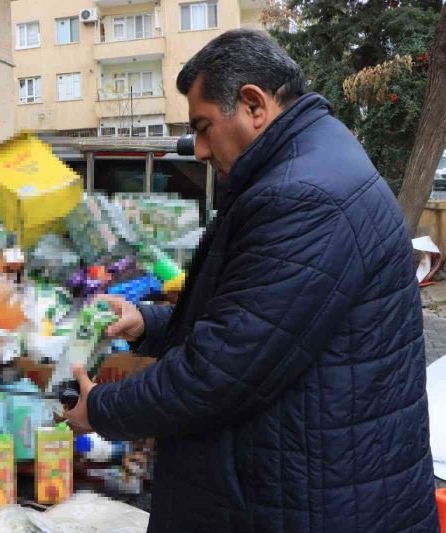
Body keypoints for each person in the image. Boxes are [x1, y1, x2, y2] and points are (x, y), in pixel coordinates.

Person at [65, 29, 438, 532]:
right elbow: (252, 315)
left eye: (203, 127)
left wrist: (105, 408)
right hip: (312, 477)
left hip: (310, 498)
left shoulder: (304, 197)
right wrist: (147, 323)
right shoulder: (308, 164)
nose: (197, 150)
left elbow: (220, 371)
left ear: (253, 105)